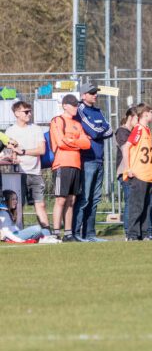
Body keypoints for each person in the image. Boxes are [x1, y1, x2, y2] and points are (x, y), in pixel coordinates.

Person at [71, 82, 114, 242]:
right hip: (87, 160)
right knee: (84, 198)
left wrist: (97, 131)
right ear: (83, 95)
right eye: (91, 93)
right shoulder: (80, 110)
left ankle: (89, 234)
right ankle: (76, 233)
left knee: (95, 199)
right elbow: (95, 131)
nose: (95, 95)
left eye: (96, 92)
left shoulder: (98, 111)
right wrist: (98, 130)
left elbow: (110, 130)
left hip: (99, 159)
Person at [49, 94, 93, 242]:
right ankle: (56, 232)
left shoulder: (77, 124)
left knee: (71, 200)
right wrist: (77, 142)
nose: (76, 107)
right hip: (62, 164)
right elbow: (61, 142)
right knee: (60, 200)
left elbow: (86, 144)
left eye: (77, 105)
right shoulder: (57, 120)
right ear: (65, 106)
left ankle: (68, 233)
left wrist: (72, 141)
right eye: (73, 105)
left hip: (76, 165)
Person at [5, 100, 51, 233]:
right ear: (17, 113)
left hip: (35, 173)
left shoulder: (36, 129)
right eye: (26, 112)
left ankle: (47, 233)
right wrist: (12, 156)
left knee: (40, 204)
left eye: (30, 111)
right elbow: (9, 151)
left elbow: (41, 150)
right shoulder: (10, 130)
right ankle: (17, 233)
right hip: (18, 174)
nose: (29, 114)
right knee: (17, 205)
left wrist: (23, 151)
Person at [123, 104, 152, 241]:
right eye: (151, 112)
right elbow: (126, 147)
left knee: (147, 206)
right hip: (138, 174)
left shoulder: (147, 130)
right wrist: (128, 168)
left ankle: (144, 233)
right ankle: (132, 234)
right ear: (145, 114)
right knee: (137, 205)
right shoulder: (138, 129)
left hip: (148, 175)